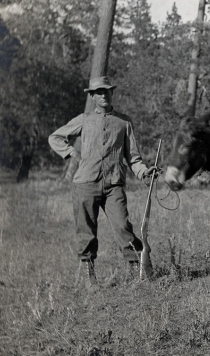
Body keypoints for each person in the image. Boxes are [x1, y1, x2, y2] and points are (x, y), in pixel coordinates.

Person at [49, 76, 158, 282]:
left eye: (106, 91)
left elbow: (133, 157)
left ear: (111, 93)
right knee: (86, 232)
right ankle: (90, 278)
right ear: (92, 96)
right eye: (98, 92)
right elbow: (55, 137)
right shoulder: (83, 119)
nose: (103, 95)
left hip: (113, 185)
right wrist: (72, 152)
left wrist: (144, 172)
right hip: (84, 184)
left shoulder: (124, 122)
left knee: (123, 226)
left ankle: (138, 272)